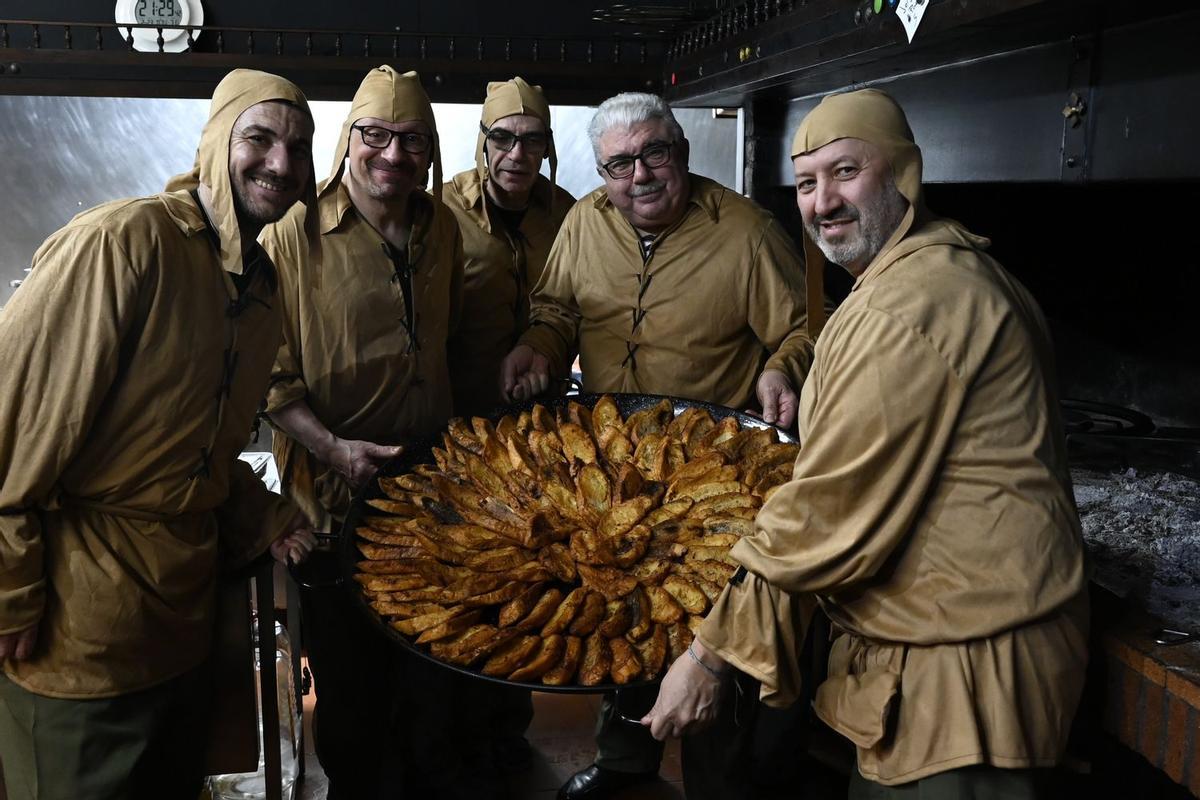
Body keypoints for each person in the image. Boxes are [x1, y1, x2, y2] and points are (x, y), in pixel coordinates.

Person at [644, 88, 1090, 800]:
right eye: (808, 183)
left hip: (964, 675)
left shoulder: (913, 303)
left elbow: (827, 510)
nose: (824, 202)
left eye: (847, 172)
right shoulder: (922, 274)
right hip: (937, 650)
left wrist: (709, 657)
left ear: (904, 173)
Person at [0, 69, 319, 800]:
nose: (281, 163)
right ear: (214, 144)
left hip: (180, 632)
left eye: (299, 149)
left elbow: (187, 449)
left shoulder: (260, 290)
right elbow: (7, 423)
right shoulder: (124, 244)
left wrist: (256, 512)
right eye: (260, 138)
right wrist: (7, 588)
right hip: (76, 638)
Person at [500, 91, 823, 800]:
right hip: (610, 472)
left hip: (708, 479)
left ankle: (717, 781)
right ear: (602, 170)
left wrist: (781, 366)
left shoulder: (743, 230)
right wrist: (537, 347)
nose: (639, 175)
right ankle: (624, 762)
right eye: (619, 164)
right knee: (624, 616)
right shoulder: (585, 220)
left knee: (709, 627)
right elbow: (557, 309)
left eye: (655, 153)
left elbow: (802, 327)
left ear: (679, 152)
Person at [260, 66, 472, 799]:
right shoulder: (294, 233)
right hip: (333, 502)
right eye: (374, 135)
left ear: (432, 150)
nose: (391, 155)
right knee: (352, 692)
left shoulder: (441, 227)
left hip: (431, 498)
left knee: (430, 673)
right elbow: (269, 373)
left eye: (411, 140)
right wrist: (333, 449)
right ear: (348, 140)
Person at [442, 76, 576, 772]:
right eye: (502, 139)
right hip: (457, 435)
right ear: (482, 143)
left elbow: (576, 307)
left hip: (539, 440)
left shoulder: (573, 215)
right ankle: (455, 744)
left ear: (548, 147)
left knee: (529, 587)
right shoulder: (441, 213)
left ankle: (505, 739)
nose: (516, 154)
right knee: (466, 589)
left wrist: (545, 354)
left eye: (531, 140)